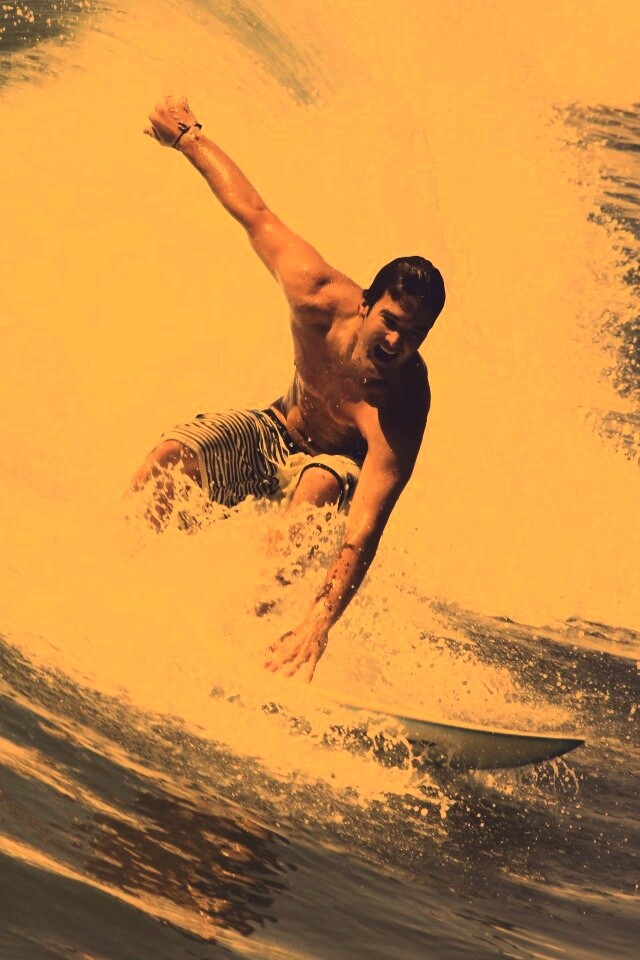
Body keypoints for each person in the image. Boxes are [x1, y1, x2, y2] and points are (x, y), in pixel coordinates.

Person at [133, 95, 445, 681]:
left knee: (321, 480)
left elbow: (363, 531)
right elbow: (254, 213)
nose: (395, 342)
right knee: (172, 455)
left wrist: (318, 623)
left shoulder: (403, 405)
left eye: (413, 335)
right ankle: (122, 571)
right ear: (365, 304)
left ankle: (249, 637)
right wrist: (188, 137)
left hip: (332, 475)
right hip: (275, 429)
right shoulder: (315, 294)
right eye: (390, 321)